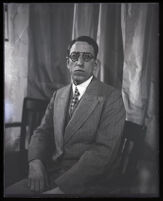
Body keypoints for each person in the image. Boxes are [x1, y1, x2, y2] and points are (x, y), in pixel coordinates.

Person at [5, 36, 126, 195]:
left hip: (87, 183)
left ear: (95, 65)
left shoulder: (112, 97)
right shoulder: (58, 95)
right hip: (51, 174)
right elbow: (43, 132)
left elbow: (103, 152)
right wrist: (35, 163)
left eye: (87, 57)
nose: (80, 62)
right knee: (10, 193)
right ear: (68, 63)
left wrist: (63, 188)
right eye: (75, 57)